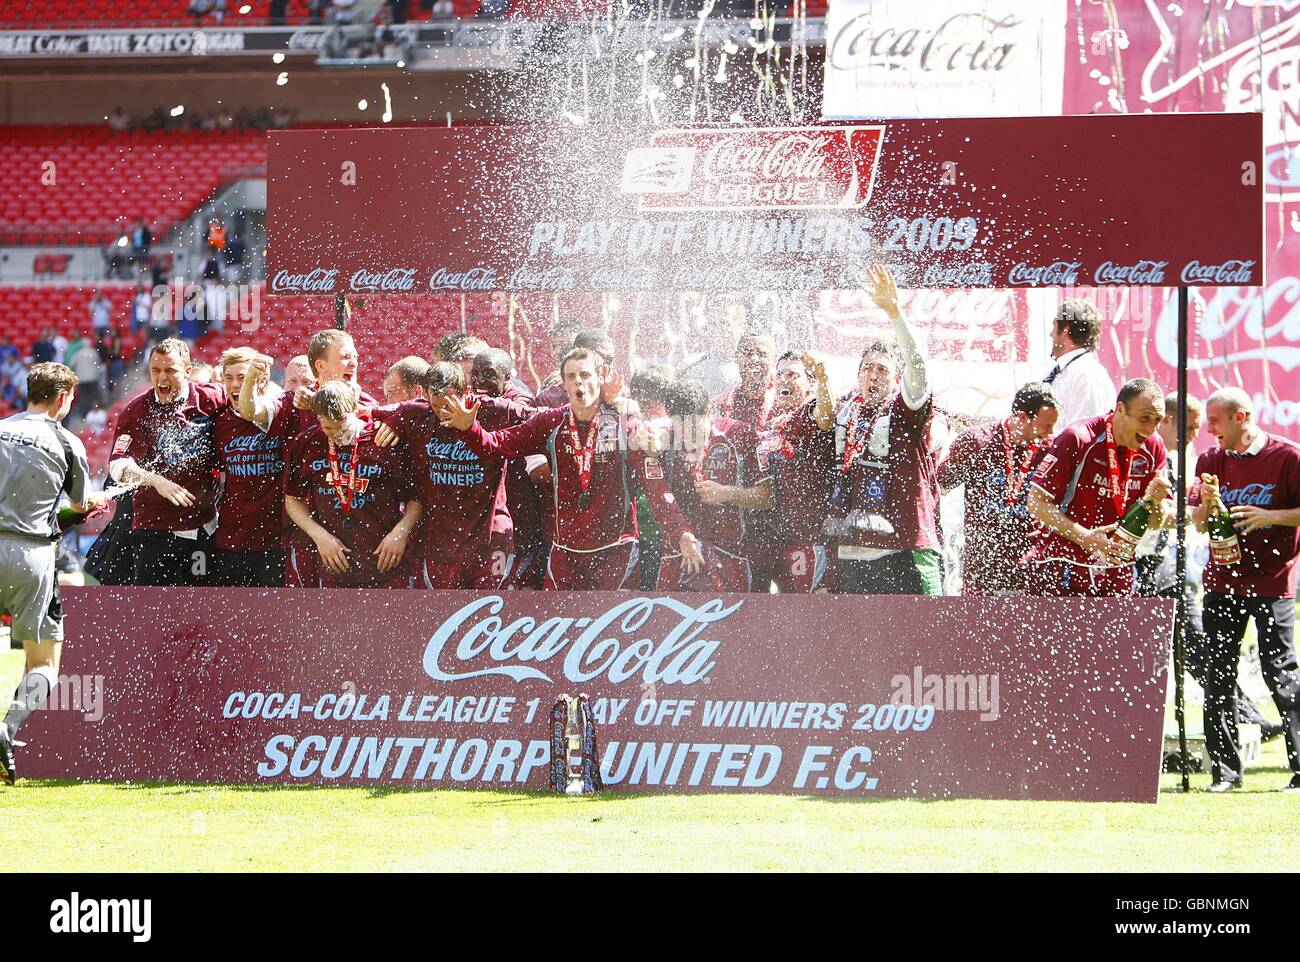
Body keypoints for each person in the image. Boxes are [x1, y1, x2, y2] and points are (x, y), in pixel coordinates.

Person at [441, 347, 703, 590]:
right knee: (563, 636)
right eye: (572, 376)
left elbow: (655, 485)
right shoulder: (550, 422)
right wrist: (470, 429)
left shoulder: (626, 425)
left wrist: (682, 532)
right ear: (563, 383)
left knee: (614, 633)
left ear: (600, 378)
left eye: (586, 375)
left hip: (617, 552)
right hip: (565, 555)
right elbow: (499, 445)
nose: (579, 381)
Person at [801, 267, 943, 595]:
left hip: (904, 548)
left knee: (918, 641)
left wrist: (894, 313)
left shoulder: (905, 410)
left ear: (897, 379)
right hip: (852, 550)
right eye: (867, 368)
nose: (873, 376)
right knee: (856, 644)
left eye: (882, 370)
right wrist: (821, 380)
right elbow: (821, 419)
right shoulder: (847, 409)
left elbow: (919, 369)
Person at [1192, 387, 1300, 793]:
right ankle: (1225, 773)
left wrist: (1269, 516)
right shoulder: (1210, 461)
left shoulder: (1287, 456)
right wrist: (1206, 506)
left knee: (1282, 674)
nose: (1209, 429)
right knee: (1218, 676)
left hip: (1274, 584)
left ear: (1242, 417)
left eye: (1216, 420)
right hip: (1222, 582)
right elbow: (1200, 524)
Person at [0, 363, 104, 784]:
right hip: (32, 556)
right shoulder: (66, 441)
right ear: (63, 398)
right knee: (44, 664)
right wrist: (93, 501)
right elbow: (80, 506)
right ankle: (6, 729)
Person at [374, 362, 532, 589]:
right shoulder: (416, 415)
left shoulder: (493, 411)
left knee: (490, 614)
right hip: (440, 545)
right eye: (436, 405)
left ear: (466, 393)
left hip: (490, 541)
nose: (442, 413)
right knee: (442, 619)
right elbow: (364, 412)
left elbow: (543, 417)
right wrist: (393, 420)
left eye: (448, 405)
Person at [1025, 378, 1171, 597]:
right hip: (1065, 562)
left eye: (1157, 420)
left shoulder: (1154, 447)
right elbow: (1036, 503)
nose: (1151, 429)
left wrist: (1157, 502)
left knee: (1119, 632)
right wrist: (1087, 538)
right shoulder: (1078, 437)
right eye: (1144, 418)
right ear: (1120, 409)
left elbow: (1157, 522)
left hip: (1118, 567)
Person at [106, 339, 226, 586]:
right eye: (155, 371)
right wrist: (155, 480)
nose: (162, 379)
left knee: (200, 608)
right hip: (155, 531)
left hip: (202, 529)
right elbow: (118, 467)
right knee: (154, 611)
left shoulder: (210, 399)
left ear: (188, 371)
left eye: (170, 371)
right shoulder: (137, 410)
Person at [284, 382, 422, 588]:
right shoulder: (308, 443)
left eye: (341, 427)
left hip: (386, 565)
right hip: (335, 567)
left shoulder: (382, 442)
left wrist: (400, 533)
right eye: (328, 428)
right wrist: (320, 536)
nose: (336, 435)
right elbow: (292, 499)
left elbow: (417, 499)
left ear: (353, 411)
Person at [647, 379, 769, 592]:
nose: (687, 434)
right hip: (678, 555)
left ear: (708, 410)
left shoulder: (739, 435)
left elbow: (768, 497)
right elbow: (645, 430)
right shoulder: (662, 438)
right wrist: (647, 438)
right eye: (680, 426)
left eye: (694, 425)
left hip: (728, 556)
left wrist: (728, 493)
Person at [938, 383, 1060, 595]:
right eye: (1046, 426)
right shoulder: (977, 443)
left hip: (1030, 569)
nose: (1052, 432)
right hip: (982, 569)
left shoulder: (1049, 451)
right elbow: (937, 488)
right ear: (1022, 418)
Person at [211, 348, 294, 587]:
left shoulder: (280, 411)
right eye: (230, 377)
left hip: (275, 542)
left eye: (243, 377)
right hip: (231, 539)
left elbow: (253, 408)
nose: (236, 384)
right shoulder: (219, 422)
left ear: (262, 379)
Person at [1043, 299, 1116, 430]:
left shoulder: (1087, 375)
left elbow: (1083, 437)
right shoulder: (1062, 371)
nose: (1050, 334)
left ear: (1065, 329)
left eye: (1054, 326)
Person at [713, 332, 777, 431]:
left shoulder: (782, 403)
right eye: (747, 353)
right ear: (737, 358)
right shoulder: (719, 404)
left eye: (762, 354)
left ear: (774, 359)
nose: (754, 359)